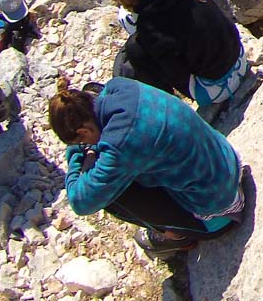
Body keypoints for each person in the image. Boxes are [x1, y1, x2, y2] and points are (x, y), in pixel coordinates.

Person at [49, 77, 244, 255]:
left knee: (110, 195)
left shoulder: (120, 144)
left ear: (83, 132)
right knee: (118, 171)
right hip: (230, 162)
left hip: (221, 210)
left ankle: (178, 237)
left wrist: (77, 154)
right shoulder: (120, 86)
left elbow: (80, 202)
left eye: (81, 140)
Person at [105, 0, 247, 114]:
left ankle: (169, 111)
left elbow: (176, 74)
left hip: (218, 89)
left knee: (135, 49)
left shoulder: (150, 25)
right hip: (240, 60)